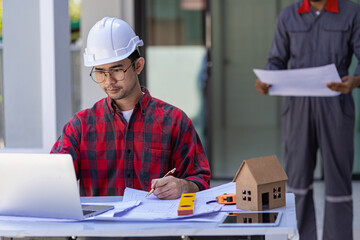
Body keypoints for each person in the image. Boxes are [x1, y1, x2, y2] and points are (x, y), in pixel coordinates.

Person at [51, 17, 211, 200]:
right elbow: (52, 179)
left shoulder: (174, 121)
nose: (108, 81)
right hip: (99, 228)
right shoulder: (80, 127)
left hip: (157, 228)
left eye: (117, 70)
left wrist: (184, 186)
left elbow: (201, 180)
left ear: (138, 65)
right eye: (100, 72)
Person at [255, 0, 360, 239]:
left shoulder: (352, 12)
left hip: (336, 103)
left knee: (338, 183)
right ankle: (300, 236)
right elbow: (276, 60)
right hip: (298, 106)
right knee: (297, 183)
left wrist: (354, 80)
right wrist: (266, 80)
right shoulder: (288, 16)